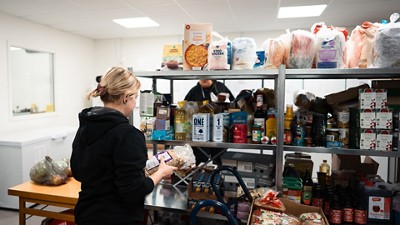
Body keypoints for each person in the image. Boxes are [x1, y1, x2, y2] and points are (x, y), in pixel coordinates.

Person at [70, 67, 177, 225]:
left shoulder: (87, 125)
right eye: (135, 98)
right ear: (126, 97)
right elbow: (134, 191)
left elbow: (79, 171)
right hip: (116, 217)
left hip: (86, 213)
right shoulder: (128, 134)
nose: (135, 103)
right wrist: (160, 172)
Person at [184, 79, 235, 165]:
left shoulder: (220, 87)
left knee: (219, 159)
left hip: (219, 130)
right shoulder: (194, 91)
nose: (204, 79)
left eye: (207, 76)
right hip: (199, 132)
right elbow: (185, 109)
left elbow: (233, 105)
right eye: (202, 77)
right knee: (201, 160)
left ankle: (218, 175)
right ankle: (201, 176)